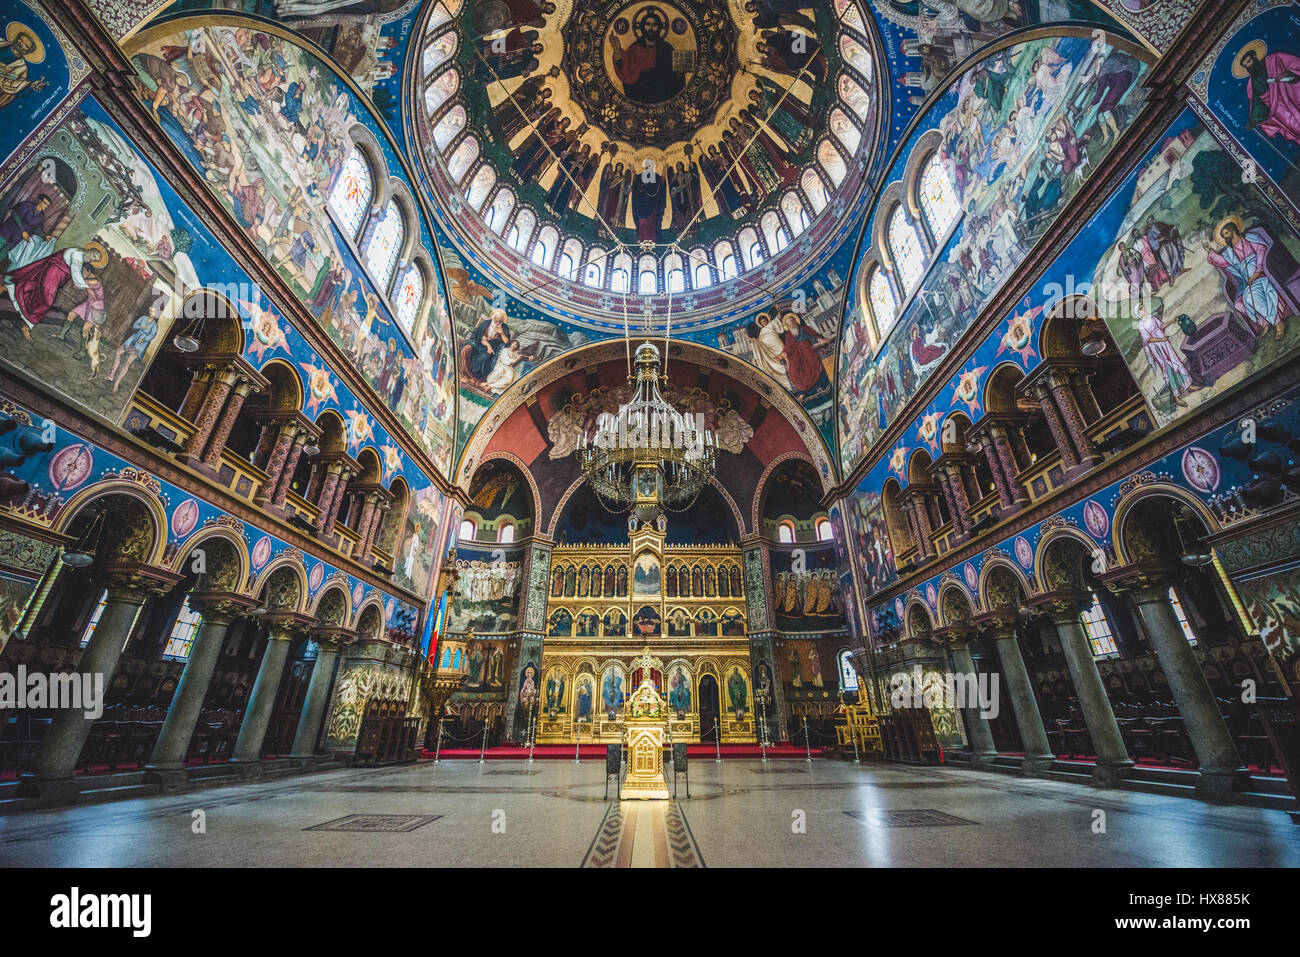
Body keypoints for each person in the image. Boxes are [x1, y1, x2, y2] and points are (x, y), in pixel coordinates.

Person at [1204, 216, 1291, 338]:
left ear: (1234, 230)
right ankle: (1264, 322)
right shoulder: (1230, 252)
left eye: (1226, 233)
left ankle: (1278, 323)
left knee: (1250, 298)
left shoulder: (1250, 239)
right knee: (1238, 305)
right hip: (1249, 283)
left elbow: (1262, 251)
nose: (1225, 237)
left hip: (1263, 275)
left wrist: (1256, 272)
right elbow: (1224, 262)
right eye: (1223, 235)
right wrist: (1210, 252)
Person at [610, 10, 683, 103]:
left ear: (659, 27)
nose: (651, 28)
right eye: (648, 24)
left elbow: (676, 77)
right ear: (643, 27)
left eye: (654, 25)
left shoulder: (667, 48)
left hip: (663, 96)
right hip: (640, 95)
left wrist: (680, 73)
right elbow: (625, 71)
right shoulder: (634, 49)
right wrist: (617, 52)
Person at [1237, 41, 1300, 148]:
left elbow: (1296, 65)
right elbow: (1257, 103)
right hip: (1278, 111)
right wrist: (1254, 121)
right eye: (1246, 65)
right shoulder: (1251, 84)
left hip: (1290, 95)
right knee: (1296, 128)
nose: (1249, 65)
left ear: (1254, 56)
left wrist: (1290, 75)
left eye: (1249, 61)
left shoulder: (1274, 59)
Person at [1134, 300, 1194, 409]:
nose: (1143, 311)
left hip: (1165, 344)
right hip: (1157, 349)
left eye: (1143, 308)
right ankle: (1176, 397)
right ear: (1138, 313)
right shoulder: (1141, 326)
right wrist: (1161, 339)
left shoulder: (1152, 318)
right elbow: (1148, 339)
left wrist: (1173, 320)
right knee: (1168, 368)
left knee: (1176, 362)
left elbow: (1161, 326)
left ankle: (1188, 386)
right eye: (1141, 310)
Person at [105, 304, 161, 393]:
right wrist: (140, 327)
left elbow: (151, 336)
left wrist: (143, 339)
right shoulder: (143, 317)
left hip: (139, 344)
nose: (151, 312)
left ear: (156, 313)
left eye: (153, 311)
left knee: (128, 362)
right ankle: (111, 376)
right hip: (133, 339)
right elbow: (135, 325)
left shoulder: (154, 325)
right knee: (118, 352)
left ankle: (117, 384)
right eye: (150, 310)